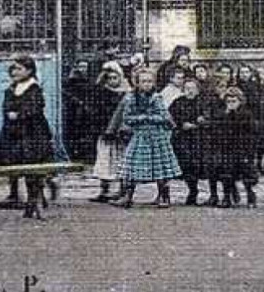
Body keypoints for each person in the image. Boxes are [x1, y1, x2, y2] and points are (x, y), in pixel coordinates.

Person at [106, 66, 181, 208]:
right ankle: (127, 195)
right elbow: (127, 118)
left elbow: (164, 117)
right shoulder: (130, 98)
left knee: (160, 167)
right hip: (140, 135)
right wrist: (142, 118)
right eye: (143, 81)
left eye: (149, 81)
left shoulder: (157, 98)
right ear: (137, 83)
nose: (147, 84)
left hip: (157, 136)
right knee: (131, 166)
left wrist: (150, 118)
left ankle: (164, 195)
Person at [0, 55, 54, 219]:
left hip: (32, 133)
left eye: (19, 69)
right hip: (14, 134)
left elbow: (35, 109)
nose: (15, 72)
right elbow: (6, 107)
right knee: (16, 166)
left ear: (29, 70)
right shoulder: (11, 89)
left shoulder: (34, 88)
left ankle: (33, 201)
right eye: (13, 69)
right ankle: (19, 196)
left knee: (33, 168)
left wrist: (19, 114)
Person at [88, 61, 131, 202]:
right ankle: (104, 189)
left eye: (115, 78)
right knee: (104, 161)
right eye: (109, 78)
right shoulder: (101, 93)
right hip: (105, 131)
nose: (112, 81)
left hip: (120, 133)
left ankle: (122, 190)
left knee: (121, 161)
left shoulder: (126, 94)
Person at [215, 86, 259, 207]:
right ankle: (227, 196)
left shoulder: (246, 115)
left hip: (243, 149)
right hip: (227, 149)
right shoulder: (223, 114)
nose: (231, 104)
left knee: (247, 174)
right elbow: (219, 131)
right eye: (228, 101)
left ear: (240, 101)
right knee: (225, 172)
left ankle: (250, 195)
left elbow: (251, 134)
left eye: (234, 101)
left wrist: (249, 151)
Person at [169, 77, 207, 206]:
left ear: (198, 90)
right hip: (182, 138)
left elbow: (208, 117)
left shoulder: (203, 102)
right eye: (187, 89)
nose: (190, 91)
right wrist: (181, 124)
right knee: (186, 164)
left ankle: (197, 189)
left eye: (193, 89)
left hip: (200, 138)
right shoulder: (177, 102)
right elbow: (171, 117)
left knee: (197, 164)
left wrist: (200, 122)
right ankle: (192, 189)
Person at [61, 59, 99, 164]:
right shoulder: (70, 82)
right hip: (72, 112)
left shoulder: (89, 81)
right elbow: (65, 92)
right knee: (73, 134)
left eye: (85, 67)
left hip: (85, 113)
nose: (83, 69)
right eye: (81, 66)